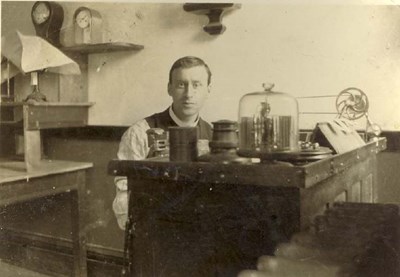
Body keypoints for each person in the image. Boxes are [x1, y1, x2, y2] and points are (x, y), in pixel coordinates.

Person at [112, 56, 213, 229]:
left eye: (196, 85)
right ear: (170, 89)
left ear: (208, 89)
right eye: (181, 84)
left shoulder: (214, 136)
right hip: (155, 228)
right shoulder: (140, 132)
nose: (189, 94)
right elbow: (123, 199)